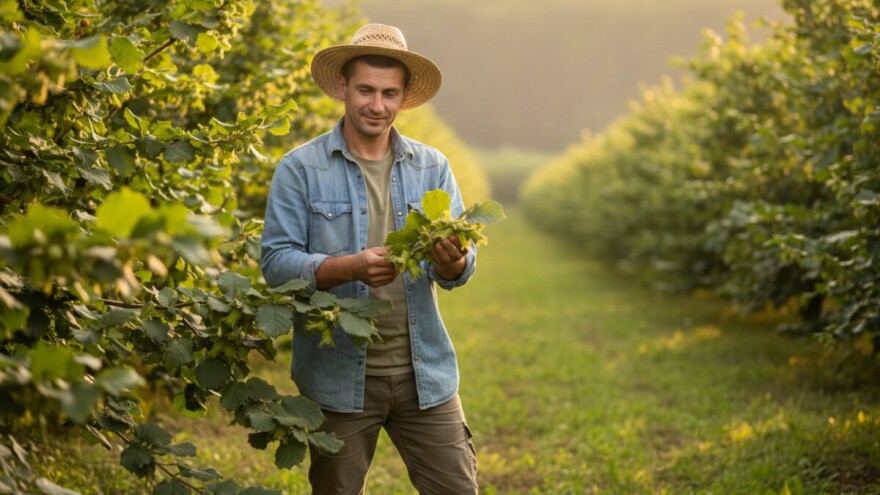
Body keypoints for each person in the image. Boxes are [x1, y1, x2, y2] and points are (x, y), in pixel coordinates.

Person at [260, 23, 479, 494]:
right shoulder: (300, 169)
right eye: (365, 90)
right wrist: (350, 267)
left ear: (403, 99)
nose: (377, 105)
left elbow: (461, 267)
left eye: (389, 93)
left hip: (426, 375)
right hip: (338, 381)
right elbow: (277, 266)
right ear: (343, 87)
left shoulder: (432, 167)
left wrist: (452, 262)